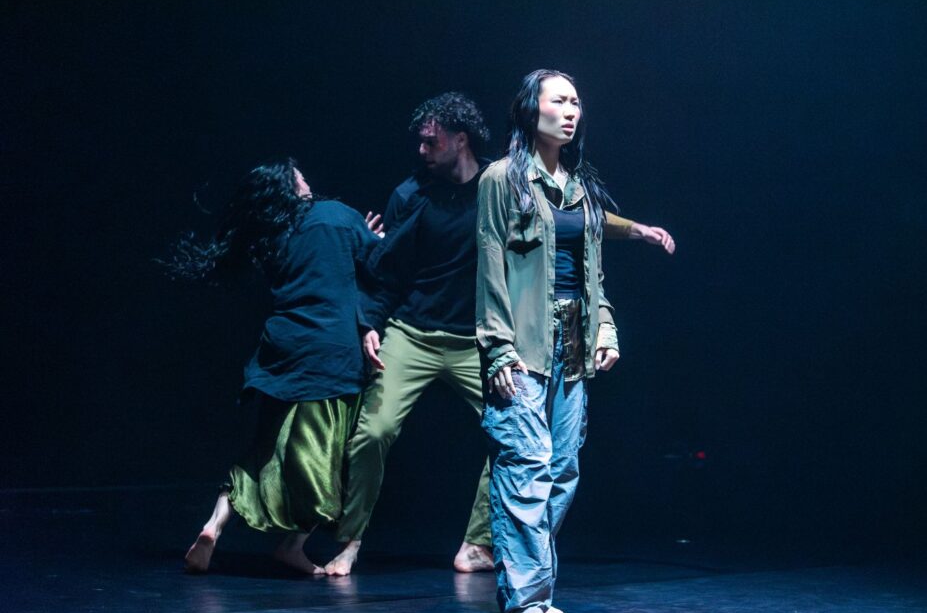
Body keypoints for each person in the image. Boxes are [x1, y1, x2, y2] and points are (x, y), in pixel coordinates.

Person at [323, 93, 674, 577]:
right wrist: (370, 324)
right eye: (420, 144)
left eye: (432, 142)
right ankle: (349, 540)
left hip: (478, 338)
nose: (422, 151)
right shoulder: (410, 195)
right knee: (372, 433)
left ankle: (477, 543)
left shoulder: (505, 183)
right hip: (414, 331)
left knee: (516, 437)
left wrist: (636, 229)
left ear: (460, 139)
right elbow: (389, 270)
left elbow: (571, 220)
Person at [168, 158, 379, 575]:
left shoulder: (269, 234)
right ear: (292, 184)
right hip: (327, 354)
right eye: (299, 173)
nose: (305, 176)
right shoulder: (336, 214)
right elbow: (376, 264)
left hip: (281, 352)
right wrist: (372, 239)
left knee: (264, 451)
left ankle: (214, 524)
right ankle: (294, 544)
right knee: (328, 457)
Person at [477, 69, 622, 613]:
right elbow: (490, 268)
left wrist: (606, 329)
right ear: (529, 110)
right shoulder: (501, 179)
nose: (571, 110)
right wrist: (497, 350)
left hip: (574, 341)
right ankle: (525, 594)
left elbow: (593, 276)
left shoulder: (582, 189)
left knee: (562, 469)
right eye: (559, 100)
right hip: (522, 340)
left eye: (577, 102)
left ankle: (528, 575)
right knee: (526, 462)